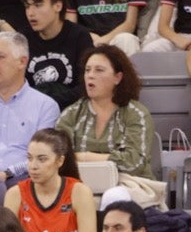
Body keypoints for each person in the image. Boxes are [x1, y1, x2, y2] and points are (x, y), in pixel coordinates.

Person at [57, 48, 159, 208]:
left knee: (113, 197)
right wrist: (107, 159)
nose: (90, 75)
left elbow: (134, 164)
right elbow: (60, 160)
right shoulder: (71, 114)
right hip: (82, 184)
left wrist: (85, 157)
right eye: (87, 70)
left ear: (118, 78)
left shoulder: (136, 114)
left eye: (99, 70)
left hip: (129, 185)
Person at [0, 32, 60, 182]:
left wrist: (7, 173)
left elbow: (42, 156)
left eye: (0, 57)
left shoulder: (45, 106)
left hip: (27, 180)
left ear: (22, 62)